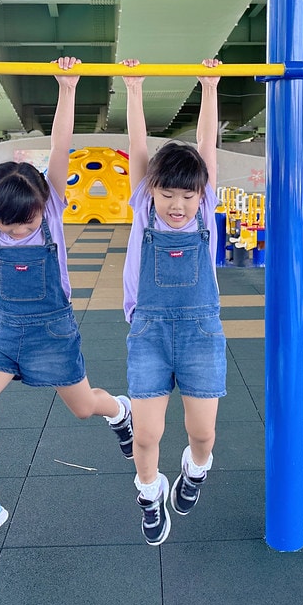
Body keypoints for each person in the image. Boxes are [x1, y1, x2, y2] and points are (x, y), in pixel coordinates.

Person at [0, 54, 133, 554]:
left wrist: (67, 88)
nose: (18, 229)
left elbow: (61, 146)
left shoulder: (48, 204)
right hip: (2, 330)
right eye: (10, 225)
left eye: (25, 223)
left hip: (52, 330)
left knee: (84, 407)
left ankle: (120, 412)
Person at [120, 58, 227, 545]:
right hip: (149, 333)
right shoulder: (143, 211)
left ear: (201, 194)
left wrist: (209, 87)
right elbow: (138, 149)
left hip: (201, 333)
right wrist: (135, 89)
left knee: (201, 434)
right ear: (152, 192)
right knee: (146, 436)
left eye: (187, 196)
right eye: (167, 194)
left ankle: (195, 470)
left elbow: (208, 148)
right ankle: (149, 493)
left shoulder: (205, 211)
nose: (177, 205)